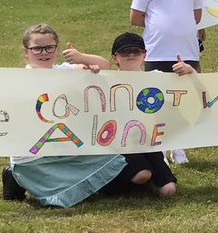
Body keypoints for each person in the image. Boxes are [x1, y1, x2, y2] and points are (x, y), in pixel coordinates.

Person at [0, 24, 147, 208]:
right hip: (32, 153)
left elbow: (102, 66)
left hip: (66, 146)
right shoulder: (16, 79)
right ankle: (15, 177)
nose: (43, 52)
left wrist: (81, 58)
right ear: (26, 51)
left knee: (110, 159)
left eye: (49, 47)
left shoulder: (66, 70)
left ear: (57, 48)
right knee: (48, 186)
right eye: (37, 48)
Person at [63, 32, 185, 198]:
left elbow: (188, 89)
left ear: (145, 55)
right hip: (118, 144)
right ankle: (108, 185)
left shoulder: (156, 78)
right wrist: (83, 60)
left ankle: (147, 180)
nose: (131, 55)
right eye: (125, 52)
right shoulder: (105, 78)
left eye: (136, 52)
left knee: (168, 191)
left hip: (147, 143)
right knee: (142, 174)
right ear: (115, 57)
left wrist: (188, 70)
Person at [130, 0, 203, 165]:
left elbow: (196, 16)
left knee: (183, 102)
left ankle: (178, 146)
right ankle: (159, 148)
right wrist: (159, 27)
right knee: (157, 102)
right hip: (157, 52)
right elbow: (136, 17)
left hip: (187, 53)